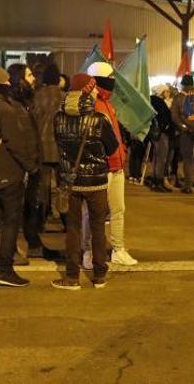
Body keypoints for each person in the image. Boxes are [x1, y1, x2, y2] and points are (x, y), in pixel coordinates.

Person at [51, 74, 119, 290]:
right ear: (89, 91)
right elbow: (112, 148)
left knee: (72, 229)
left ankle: (71, 277)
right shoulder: (99, 119)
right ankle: (99, 275)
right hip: (97, 182)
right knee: (98, 228)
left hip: (70, 182)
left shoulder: (58, 118)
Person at [0, 65, 39, 287]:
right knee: (10, 221)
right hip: (8, 174)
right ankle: (3, 268)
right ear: (1, 85)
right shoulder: (4, 109)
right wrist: (31, 167)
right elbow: (16, 144)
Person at [84, 62, 138, 266]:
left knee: (118, 210)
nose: (113, 82)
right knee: (91, 212)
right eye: (109, 78)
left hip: (116, 166)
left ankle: (118, 249)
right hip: (101, 167)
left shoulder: (108, 103)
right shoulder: (89, 104)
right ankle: (88, 251)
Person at [29, 63, 65, 259]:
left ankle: (39, 222)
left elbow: (32, 119)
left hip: (41, 148)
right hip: (60, 149)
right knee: (63, 189)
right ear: (58, 79)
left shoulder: (37, 95)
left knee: (40, 191)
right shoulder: (64, 96)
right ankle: (66, 221)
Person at [7, 63, 41, 266]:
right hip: (20, 167)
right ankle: (9, 251)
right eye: (29, 75)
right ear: (19, 79)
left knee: (26, 208)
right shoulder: (13, 105)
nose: (33, 79)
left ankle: (27, 244)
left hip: (29, 165)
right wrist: (30, 165)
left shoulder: (25, 102)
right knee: (12, 212)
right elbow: (18, 140)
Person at [149, 84, 175, 193]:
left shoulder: (152, 100)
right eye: (166, 91)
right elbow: (164, 117)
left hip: (156, 133)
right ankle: (158, 181)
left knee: (157, 157)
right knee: (161, 158)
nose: (168, 93)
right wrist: (165, 126)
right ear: (161, 92)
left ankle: (155, 180)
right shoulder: (159, 102)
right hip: (162, 134)